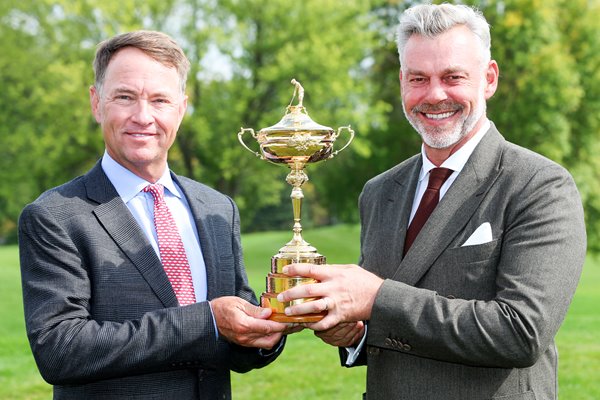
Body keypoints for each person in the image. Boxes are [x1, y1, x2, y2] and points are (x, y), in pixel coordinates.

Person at [277, 4, 586, 400]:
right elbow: (391, 321)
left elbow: (521, 332)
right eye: (418, 78)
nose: (434, 95)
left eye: (453, 77)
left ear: (488, 79)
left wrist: (376, 298)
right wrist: (352, 331)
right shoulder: (379, 191)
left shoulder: (540, 185)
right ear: (402, 81)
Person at [19, 30, 293, 400]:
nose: (143, 116)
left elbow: (231, 342)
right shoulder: (55, 216)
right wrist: (207, 319)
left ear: (181, 109)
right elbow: (61, 349)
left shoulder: (217, 208)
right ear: (96, 103)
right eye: (125, 97)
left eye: (160, 100)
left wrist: (268, 329)